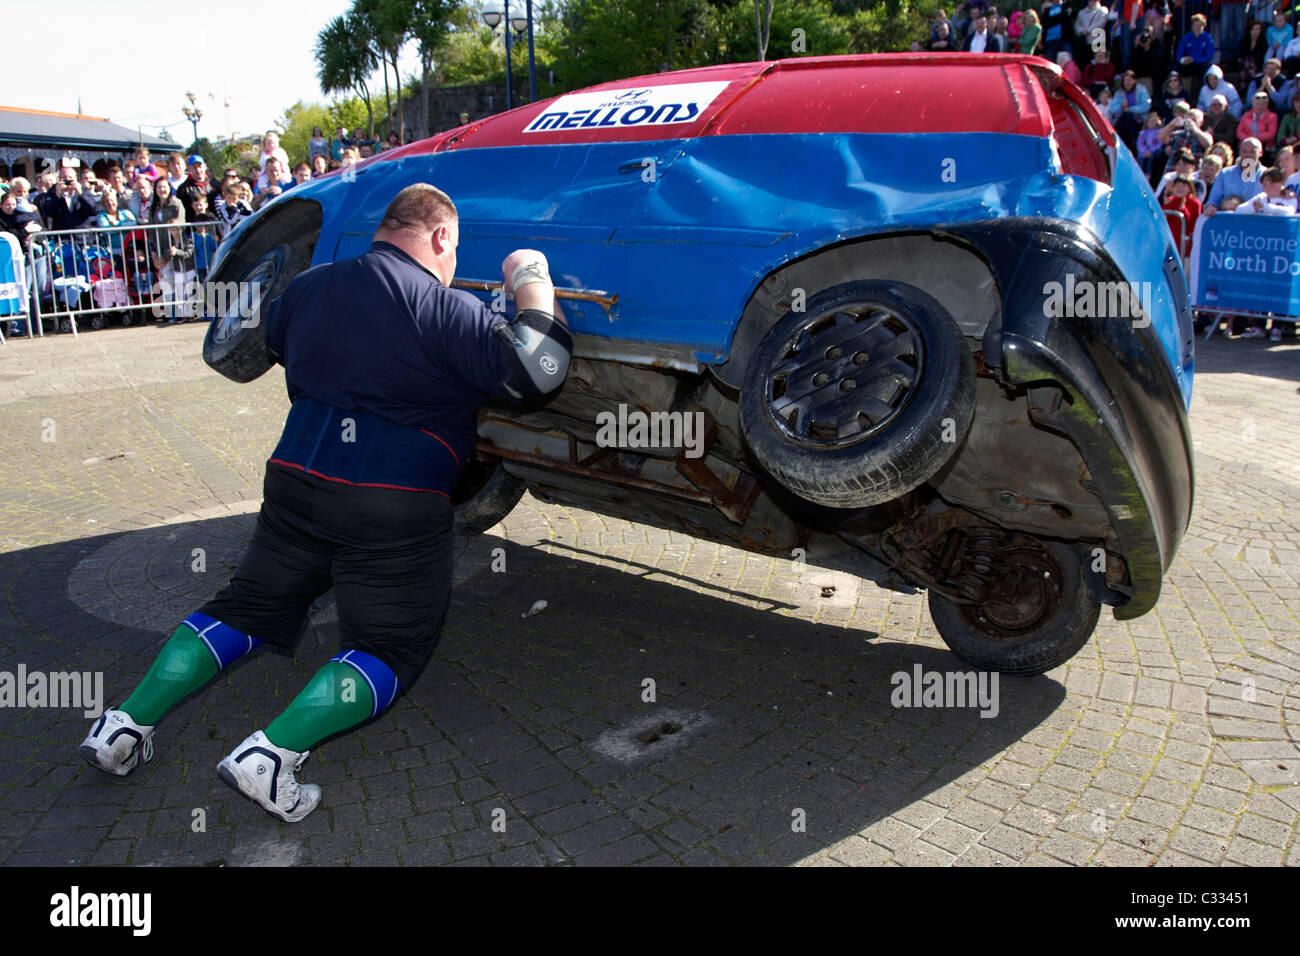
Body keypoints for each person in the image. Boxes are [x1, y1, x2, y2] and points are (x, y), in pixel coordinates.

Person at [78, 183, 574, 823]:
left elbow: (285, 344)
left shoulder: (307, 290)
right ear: (441, 237)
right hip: (392, 504)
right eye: (456, 249)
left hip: (295, 484)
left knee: (245, 608)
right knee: (388, 647)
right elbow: (541, 371)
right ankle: (272, 755)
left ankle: (121, 726)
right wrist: (528, 277)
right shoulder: (444, 311)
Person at [1205, 137, 1266, 213]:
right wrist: (1211, 207)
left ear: (1261, 153)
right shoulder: (1225, 174)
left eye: (1252, 152)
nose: (1248, 155)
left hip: (1257, 221)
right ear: (1240, 152)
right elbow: (1213, 201)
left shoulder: (1267, 176)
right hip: (1229, 220)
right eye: (1244, 151)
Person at [1110, 70, 1152, 153]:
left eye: (1129, 80)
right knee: (1125, 118)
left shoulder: (1141, 90)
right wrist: (1121, 106)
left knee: (1128, 116)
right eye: (1125, 80)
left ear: (1134, 80)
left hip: (1138, 120)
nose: (1127, 83)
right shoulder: (1119, 93)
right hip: (1123, 120)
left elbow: (1146, 106)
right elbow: (1113, 109)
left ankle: (1132, 144)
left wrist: (1131, 109)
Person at [1161, 173, 1201, 256]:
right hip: (1171, 244)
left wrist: (1183, 209)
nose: (1180, 189)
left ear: (1190, 188)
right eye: (1177, 186)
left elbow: (1192, 225)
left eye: (1184, 186)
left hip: (1185, 247)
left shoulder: (1195, 203)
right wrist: (1166, 204)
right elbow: (1164, 220)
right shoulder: (1170, 200)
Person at [1176, 14, 1215, 93]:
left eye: (1199, 25)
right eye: (1195, 25)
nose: (1197, 28)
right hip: (1189, 64)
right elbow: (1179, 54)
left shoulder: (1208, 38)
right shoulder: (1187, 38)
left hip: (1201, 64)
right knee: (1175, 70)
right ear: (1192, 26)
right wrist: (1182, 60)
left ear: (1203, 26)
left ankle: (1203, 94)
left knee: (1206, 70)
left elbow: (1209, 56)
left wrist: (1195, 60)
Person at [176, 155, 219, 222]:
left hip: (213, 223)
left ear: (205, 166)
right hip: (194, 226)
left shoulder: (214, 184)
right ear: (189, 169)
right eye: (194, 167)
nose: (198, 170)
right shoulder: (184, 188)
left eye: (200, 166)